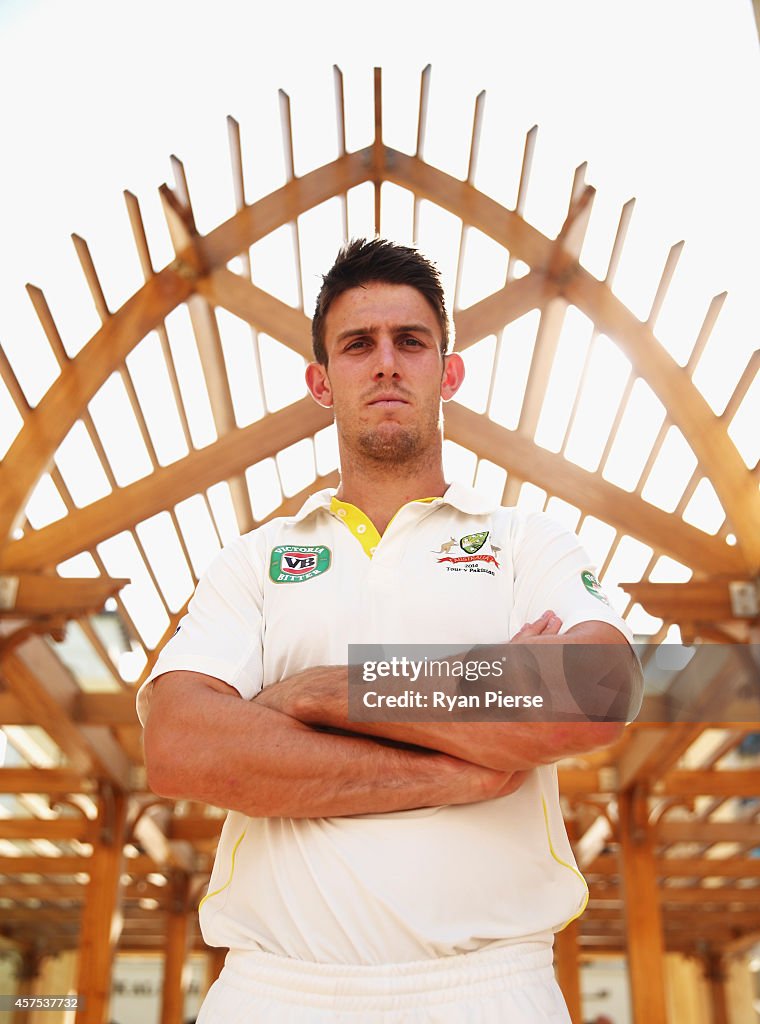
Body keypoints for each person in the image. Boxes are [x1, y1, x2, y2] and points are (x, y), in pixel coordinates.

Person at [138, 238, 641, 1023]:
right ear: (321, 380)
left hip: (490, 988)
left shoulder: (524, 540)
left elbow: (597, 689)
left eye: (411, 341)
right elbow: (180, 745)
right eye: (357, 344)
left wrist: (315, 693)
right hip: (272, 988)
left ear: (449, 371)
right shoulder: (258, 557)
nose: (385, 363)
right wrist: (460, 756)